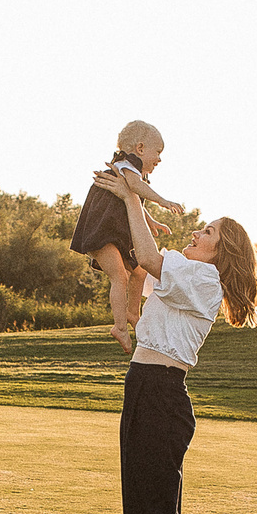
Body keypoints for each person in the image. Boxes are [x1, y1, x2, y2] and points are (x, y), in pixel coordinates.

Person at [94, 159, 257, 514]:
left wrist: (132, 196)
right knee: (143, 499)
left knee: (157, 503)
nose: (196, 231)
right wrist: (135, 209)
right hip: (144, 386)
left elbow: (150, 260)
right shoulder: (187, 273)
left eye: (207, 231)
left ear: (222, 251)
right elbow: (138, 263)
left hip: (162, 393)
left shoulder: (204, 280)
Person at [69, 119, 187, 352]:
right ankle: (120, 327)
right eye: (158, 152)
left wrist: (150, 221)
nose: (159, 159)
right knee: (119, 277)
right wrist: (162, 201)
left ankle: (133, 312)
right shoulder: (127, 166)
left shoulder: (129, 171)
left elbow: (133, 199)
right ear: (140, 148)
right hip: (101, 232)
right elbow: (136, 188)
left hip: (114, 233)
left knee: (140, 270)